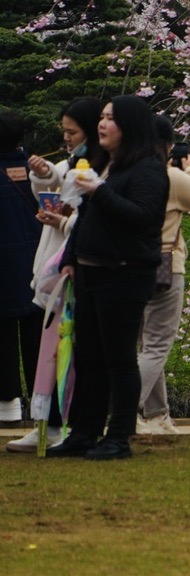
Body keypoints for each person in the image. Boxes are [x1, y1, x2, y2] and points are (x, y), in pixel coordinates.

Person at [48, 95, 170, 460]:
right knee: (89, 357)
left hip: (124, 273)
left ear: (130, 125)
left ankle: (118, 436)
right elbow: (85, 219)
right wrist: (70, 258)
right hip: (90, 270)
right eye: (101, 117)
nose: (102, 124)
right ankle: (85, 432)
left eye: (110, 119)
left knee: (118, 359)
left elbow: (143, 217)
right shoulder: (107, 164)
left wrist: (100, 192)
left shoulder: (147, 169)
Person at [9, 95, 104, 454]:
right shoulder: (71, 163)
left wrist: (64, 219)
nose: (66, 137)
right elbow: (50, 195)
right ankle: (45, 422)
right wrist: (44, 175)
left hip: (74, 268)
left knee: (68, 352)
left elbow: (93, 220)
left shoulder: (99, 167)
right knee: (46, 350)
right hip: (53, 263)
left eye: (72, 131)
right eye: (63, 131)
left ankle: (65, 423)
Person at [135, 117, 190, 436]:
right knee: (157, 345)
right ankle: (123, 410)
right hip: (166, 266)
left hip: (129, 266)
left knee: (143, 343)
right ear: (167, 148)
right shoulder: (171, 177)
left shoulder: (124, 175)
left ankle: (158, 414)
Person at [1, 108, 37, 425]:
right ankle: (41, 408)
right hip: (41, 268)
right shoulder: (40, 171)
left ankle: (8, 409)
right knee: (38, 336)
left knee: (2, 338)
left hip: (2, 271)